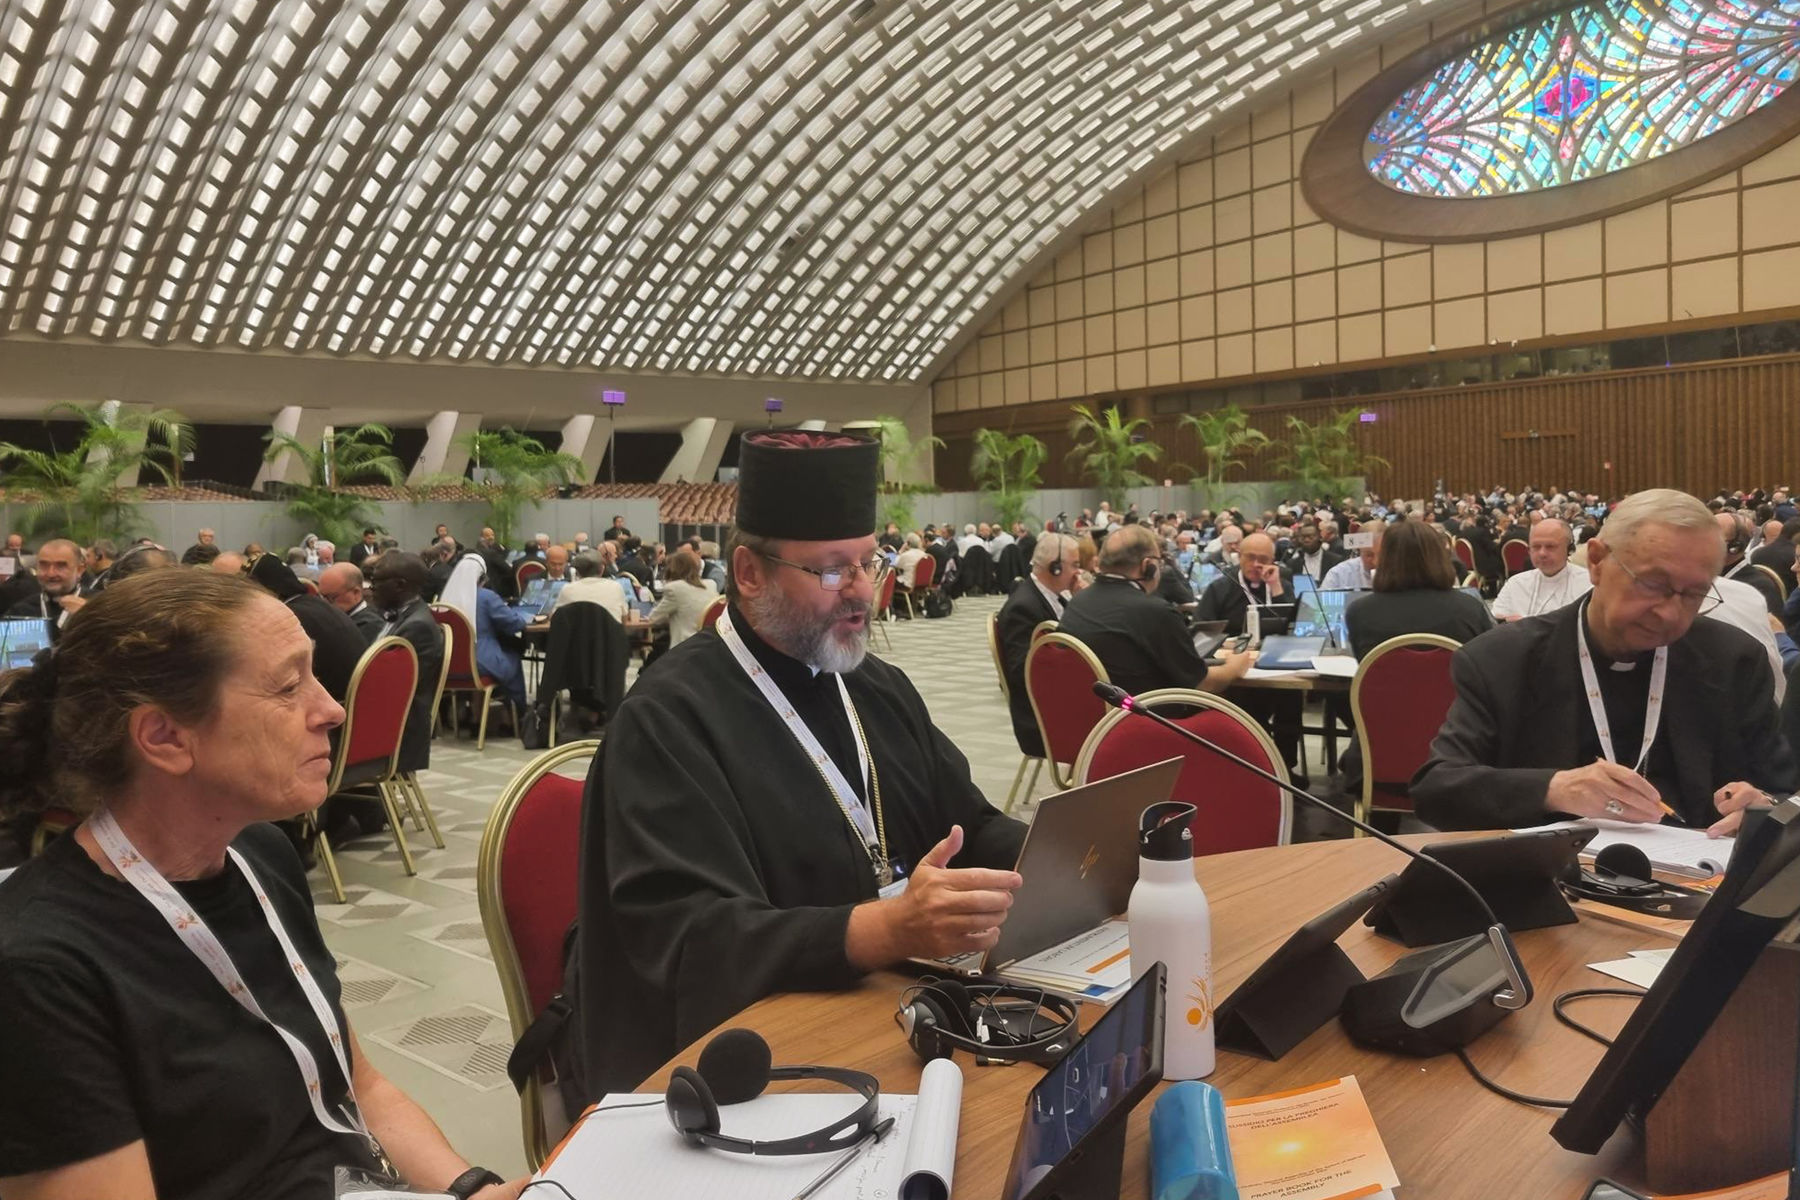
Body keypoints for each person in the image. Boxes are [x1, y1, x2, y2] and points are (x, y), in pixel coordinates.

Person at [0, 570, 524, 1199]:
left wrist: (469, 1190)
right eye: (287, 686)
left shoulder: (260, 855)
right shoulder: (40, 972)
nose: (332, 709)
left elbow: (355, 1082)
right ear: (165, 737)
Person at [579, 429, 1027, 1094]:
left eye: (869, 563)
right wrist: (885, 927)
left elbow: (969, 824)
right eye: (832, 570)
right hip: (742, 1059)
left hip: (892, 1010)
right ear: (750, 573)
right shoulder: (666, 720)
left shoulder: (877, 686)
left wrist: (1071, 856)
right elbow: (696, 939)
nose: (861, 592)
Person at [1414, 489, 1797, 833]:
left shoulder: (1733, 659)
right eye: (1653, 584)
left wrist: (1761, 806)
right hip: (1549, 879)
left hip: (1701, 879)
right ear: (1597, 562)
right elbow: (1437, 789)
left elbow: (1784, 793)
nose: (1669, 612)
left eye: (1693, 594)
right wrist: (1553, 788)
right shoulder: (1504, 659)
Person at [1058, 524, 1254, 697]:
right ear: (1148, 566)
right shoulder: (1155, 612)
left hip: (1095, 716)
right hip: (1147, 718)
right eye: (1159, 562)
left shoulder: (1077, 602)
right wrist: (1235, 666)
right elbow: (1203, 683)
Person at [1344, 521, 1493, 660]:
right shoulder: (1470, 609)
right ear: (1440, 557)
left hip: (1386, 681)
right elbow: (1486, 661)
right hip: (1452, 681)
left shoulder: (1359, 613)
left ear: (1384, 560)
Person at [995, 532, 1082, 758]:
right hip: (1041, 719)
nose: (1079, 572)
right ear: (1055, 567)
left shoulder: (1055, 596)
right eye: (1075, 565)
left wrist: (1080, 602)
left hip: (1055, 705)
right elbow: (1023, 672)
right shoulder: (1023, 607)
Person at [367, 554, 446, 778]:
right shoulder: (403, 617)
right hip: (390, 718)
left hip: (399, 728)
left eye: (376, 582)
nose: (371, 589)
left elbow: (390, 687)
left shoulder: (417, 627)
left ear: (399, 585)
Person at [1491, 518, 1591, 621]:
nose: (1542, 553)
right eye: (1536, 547)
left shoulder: (1589, 585)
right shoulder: (1515, 583)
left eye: (1550, 546)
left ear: (1570, 549)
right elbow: (1495, 621)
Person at [5, 538, 83, 639]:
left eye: (60, 566)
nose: (51, 574)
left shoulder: (98, 604)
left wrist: (89, 616)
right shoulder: (20, 610)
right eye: (44, 566)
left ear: (79, 570)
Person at [645, 548, 719, 648]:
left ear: (672, 569)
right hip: (710, 643)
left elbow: (653, 618)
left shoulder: (674, 588)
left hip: (684, 646)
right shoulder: (711, 584)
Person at [550, 551, 630, 624]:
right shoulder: (616, 587)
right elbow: (624, 619)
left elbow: (554, 618)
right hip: (611, 635)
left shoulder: (567, 589)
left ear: (577, 571)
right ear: (602, 569)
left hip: (577, 635)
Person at [318, 562, 384, 643]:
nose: (324, 604)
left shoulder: (370, 627)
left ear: (356, 593)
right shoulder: (332, 617)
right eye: (321, 597)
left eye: (331, 598)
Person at [1322, 523, 1383, 590]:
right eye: (1369, 555)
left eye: (1382, 554)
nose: (1375, 562)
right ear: (1359, 550)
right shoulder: (1339, 574)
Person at [1283, 521, 1345, 586]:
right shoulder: (1292, 563)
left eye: (1311, 537)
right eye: (1303, 537)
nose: (1306, 540)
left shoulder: (1335, 561)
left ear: (1320, 537)